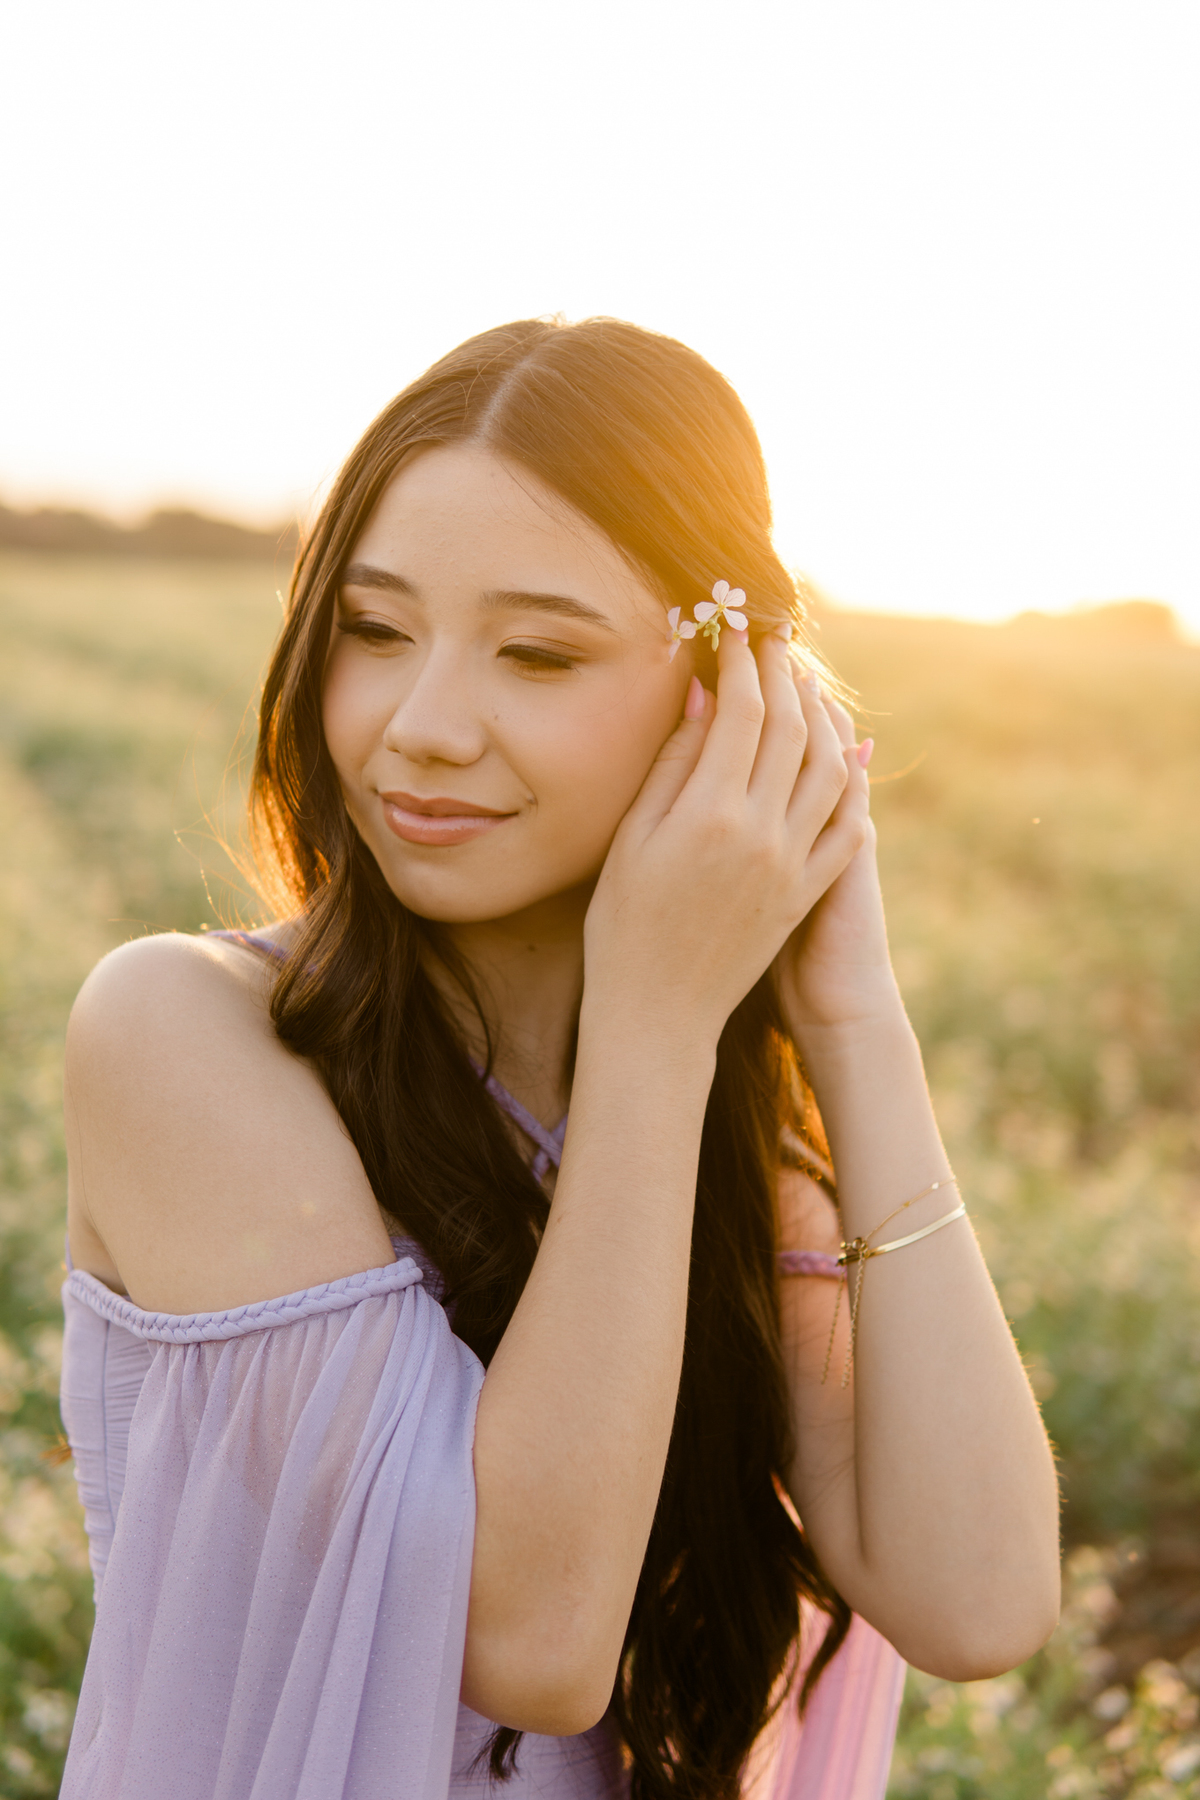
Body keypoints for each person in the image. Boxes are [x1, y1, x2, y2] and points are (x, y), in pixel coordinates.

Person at [56, 317, 1060, 1800]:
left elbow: (979, 1602)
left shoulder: (722, 1145)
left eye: (536, 652)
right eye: (376, 632)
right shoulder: (185, 1035)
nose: (422, 727)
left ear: (724, 696)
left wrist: (852, 1018)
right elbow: (526, 1639)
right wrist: (658, 1024)